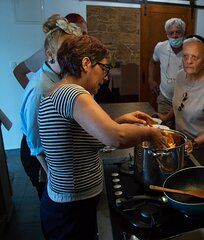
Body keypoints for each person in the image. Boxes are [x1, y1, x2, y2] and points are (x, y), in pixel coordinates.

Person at [38, 34, 167, 240]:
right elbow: (115, 138)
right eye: (104, 69)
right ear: (86, 63)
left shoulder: (60, 91)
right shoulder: (73, 93)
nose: (106, 77)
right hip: (71, 209)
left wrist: (121, 119)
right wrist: (150, 132)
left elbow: (84, 134)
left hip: (69, 203)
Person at [19, 15, 82, 199]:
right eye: (65, 54)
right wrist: (51, 175)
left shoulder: (59, 75)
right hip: (38, 156)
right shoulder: (41, 89)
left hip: (49, 149)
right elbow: (35, 140)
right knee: (48, 201)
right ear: (49, 55)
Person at [159, 35, 204, 165]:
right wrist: (165, 118)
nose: (188, 61)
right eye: (185, 56)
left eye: (194, 57)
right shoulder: (180, 76)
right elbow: (179, 104)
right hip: (182, 144)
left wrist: (194, 143)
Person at [13, 13, 87, 89]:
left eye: (84, 33)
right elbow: (18, 71)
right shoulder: (44, 54)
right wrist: (33, 93)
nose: (82, 38)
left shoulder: (82, 55)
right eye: (78, 32)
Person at [148, 18, 186, 129]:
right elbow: (152, 61)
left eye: (178, 32)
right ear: (167, 34)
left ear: (183, 33)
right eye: (171, 33)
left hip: (185, 101)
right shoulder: (160, 47)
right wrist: (151, 79)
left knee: (181, 130)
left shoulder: (189, 49)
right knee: (165, 130)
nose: (175, 35)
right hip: (165, 99)